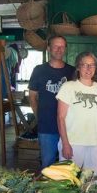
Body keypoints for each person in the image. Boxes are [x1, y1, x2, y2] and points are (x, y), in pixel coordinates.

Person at [57, 51, 97, 174]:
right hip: (72, 143)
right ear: (78, 67)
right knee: (68, 181)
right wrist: (65, 143)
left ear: (95, 68)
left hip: (93, 144)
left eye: (92, 65)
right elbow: (60, 117)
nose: (88, 68)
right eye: (84, 65)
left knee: (91, 181)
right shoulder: (68, 87)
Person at [28, 35, 74, 169]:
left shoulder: (72, 72)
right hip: (47, 128)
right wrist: (40, 117)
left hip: (69, 128)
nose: (59, 49)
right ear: (48, 48)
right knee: (48, 165)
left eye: (62, 46)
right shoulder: (39, 70)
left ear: (65, 49)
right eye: (55, 46)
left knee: (68, 167)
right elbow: (32, 98)